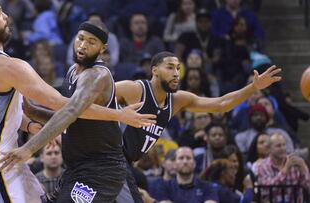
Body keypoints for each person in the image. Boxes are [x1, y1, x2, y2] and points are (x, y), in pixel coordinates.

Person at [22, 51, 282, 202]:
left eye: (178, 68)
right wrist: (40, 107)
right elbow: (77, 107)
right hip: (105, 159)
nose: (176, 73)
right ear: (154, 70)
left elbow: (222, 103)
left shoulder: (177, 101)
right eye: (170, 67)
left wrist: (253, 88)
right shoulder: (134, 90)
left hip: (115, 165)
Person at [0, 1, 154, 203]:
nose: (7, 17)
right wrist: (119, 115)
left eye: (91, 41)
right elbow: (66, 108)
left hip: (99, 169)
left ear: (103, 48)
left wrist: (30, 125)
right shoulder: (10, 67)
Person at [257, 134, 310, 203]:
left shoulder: (296, 163)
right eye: (278, 146)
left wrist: (303, 171)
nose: (282, 148)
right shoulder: (263, 166)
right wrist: (285, 170)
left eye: (284, 145)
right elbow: (266, 191)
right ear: (269, 149)